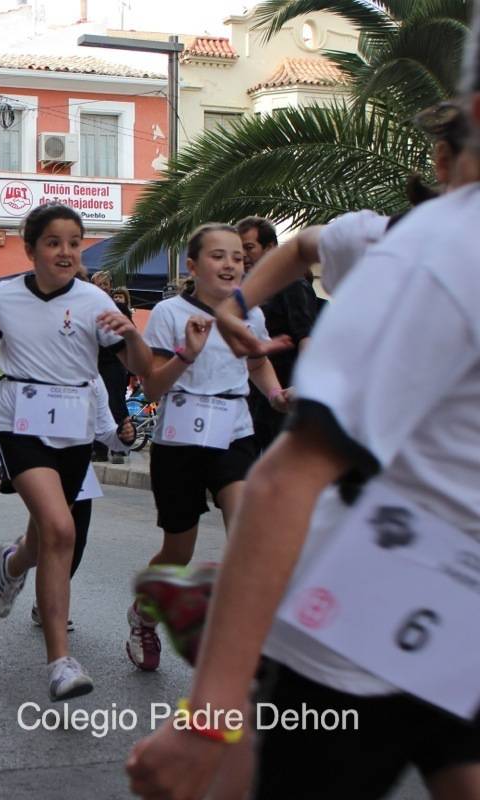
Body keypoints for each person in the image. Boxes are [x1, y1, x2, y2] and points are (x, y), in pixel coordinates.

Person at [126, 68, 480, 798]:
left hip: (458, 627)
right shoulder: (416, 249)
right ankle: (241, 613)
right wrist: (233, 307)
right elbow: (289, 474)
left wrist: (237, 310)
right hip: (359, 620)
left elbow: (308, 248)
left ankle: (233, 600)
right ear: (447, 160)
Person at [0, 203, 152, 700]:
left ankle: (13, 563)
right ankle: (60, 662)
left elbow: (139, 366)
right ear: (30, 248)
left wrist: (134, 335)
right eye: (53, 242)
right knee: (61, 529)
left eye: (74, 242)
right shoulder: (2, 298)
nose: (65, 252)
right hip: (22, 423)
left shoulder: (97, 302)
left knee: (43, 539)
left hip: (74, 430)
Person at [124, 224, 290, 673]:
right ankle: (144, 613)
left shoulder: (250, 315)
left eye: (237, 256)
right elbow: (153, 384)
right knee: (179, 550)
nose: (231, 264)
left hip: (233, 430)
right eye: (219, 256)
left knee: (246, 531)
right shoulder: (168, 312)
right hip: (179, 437)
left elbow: (257, 362)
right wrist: (187, 355)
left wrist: (275, 395)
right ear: (193, 266)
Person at [0, 378, 135, 630]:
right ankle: (57, 650)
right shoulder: (32, 364)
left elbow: (105, 431)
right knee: (56, 535)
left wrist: (122, 436)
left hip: (76, 468)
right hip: (36, 463)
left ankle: (21, 572)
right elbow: (3, 415)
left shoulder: (91, 378)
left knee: (71, 540)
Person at [236, 217, 317, 454]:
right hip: (251, 395)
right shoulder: (241, 292)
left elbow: (306, 335)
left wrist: (300, 384)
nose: (243, 255)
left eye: (249, 247)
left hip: (283, 394)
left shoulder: (292, 284)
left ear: (270, 248)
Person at [89, 271, 133, 465]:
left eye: (106, 284)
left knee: (116, 403)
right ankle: (99, 449)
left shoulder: (119, 307)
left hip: (114, 362)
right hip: (93, 362)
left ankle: (121, 444)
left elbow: (129, 334)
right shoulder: (87, 306)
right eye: (100, 284)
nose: (104, 287)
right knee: (95, 406)